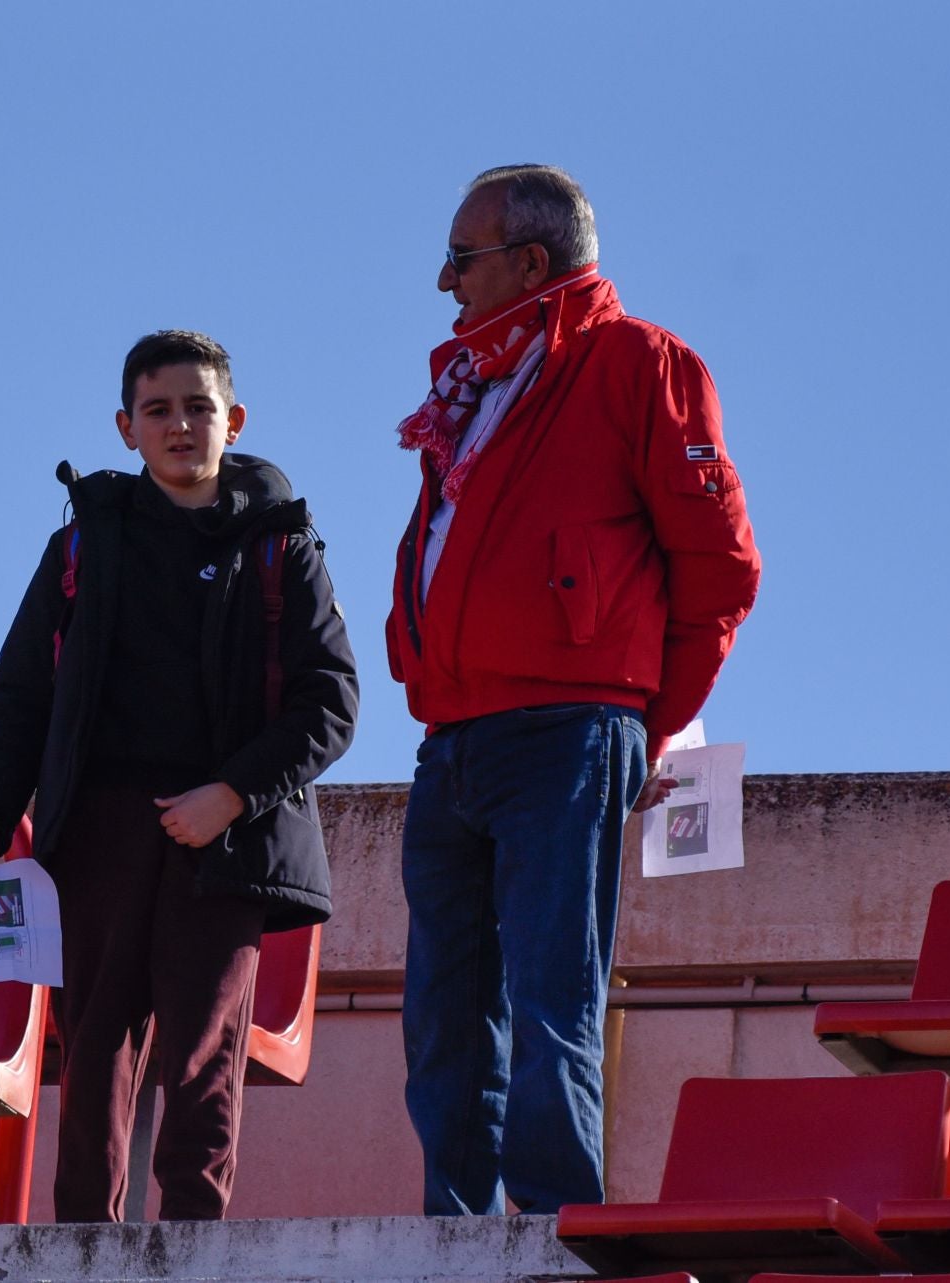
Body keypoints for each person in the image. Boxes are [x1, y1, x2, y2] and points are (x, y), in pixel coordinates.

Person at [387, 165, 760, 1215]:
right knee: (444, 1012)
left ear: (530, 263)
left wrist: (649, 722)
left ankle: (554, 1228)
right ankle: (451, 1232)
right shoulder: (477, 382)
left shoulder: (640, 361)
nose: (444, 282)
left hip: (569, 727)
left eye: (462, 259)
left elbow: (723, 568)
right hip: (454, 732)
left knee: (552, 996)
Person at [0, 330, 357, 1222]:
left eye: (199, 407)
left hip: (229, 834)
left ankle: (193, 1247)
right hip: (97, 828)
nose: (180, 425)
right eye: (159, 410)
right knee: (93, 1042)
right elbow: (20, 695)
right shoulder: (82, 545)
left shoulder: (281, 543)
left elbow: (331, 702)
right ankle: (79, 1245)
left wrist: (233, 794)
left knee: (203, 1050)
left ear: (234, 419)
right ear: (126, 427)